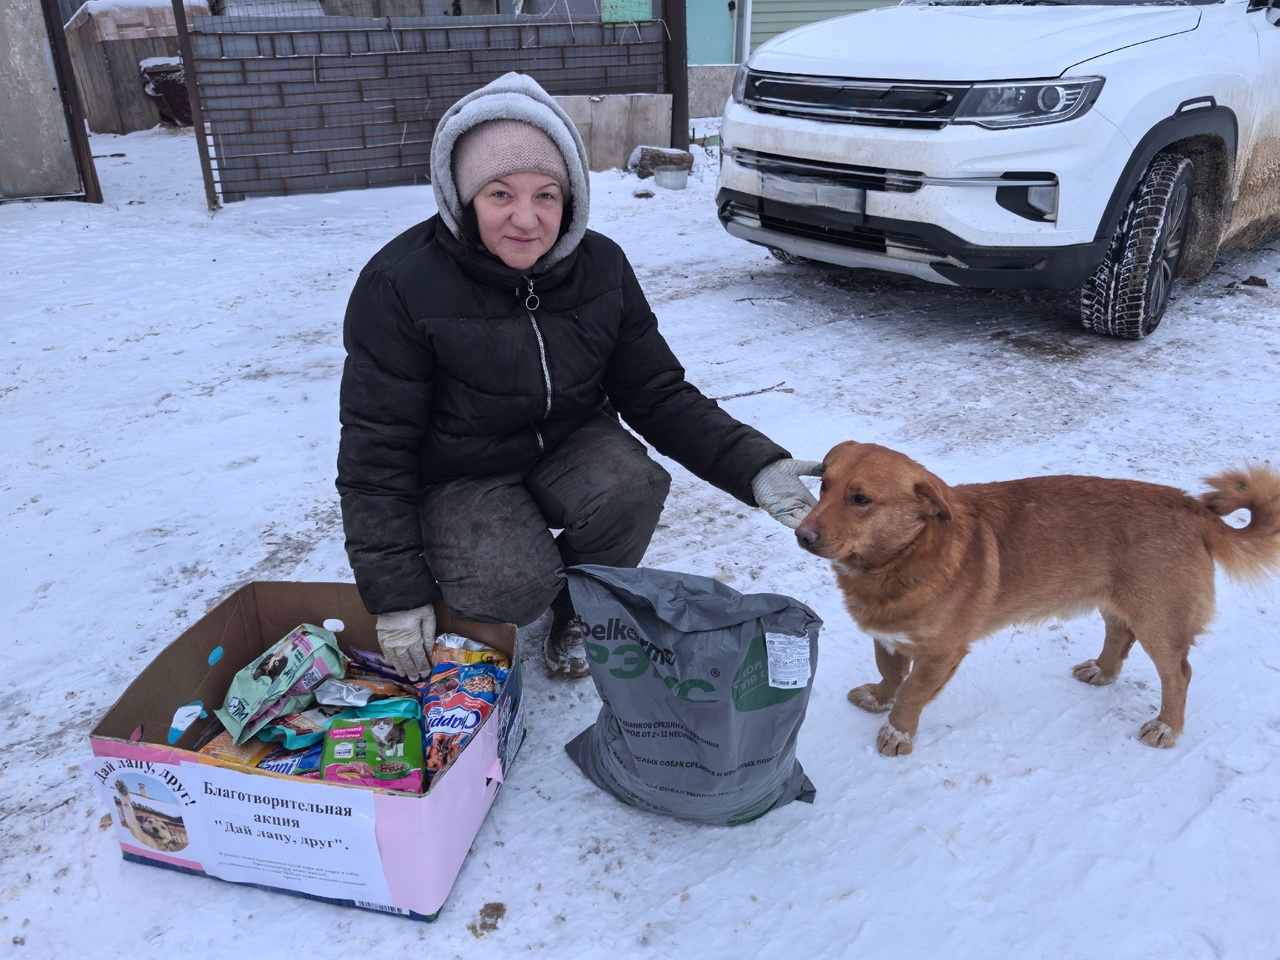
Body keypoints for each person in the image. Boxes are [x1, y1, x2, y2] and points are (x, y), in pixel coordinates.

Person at [336, 71, 820, 682]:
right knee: (514, 585)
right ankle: (512, 580)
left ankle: (579, 608)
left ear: (571, 199)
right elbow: (375, 446)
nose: (527, 219)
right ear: (461, 198)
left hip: (567, 438)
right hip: (458, 469)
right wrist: (396, 591)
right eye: (499, 194)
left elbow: (657, 391)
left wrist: (755, 465)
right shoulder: (401, 285)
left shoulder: (602, 268)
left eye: (547, 194)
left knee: (634, 485)